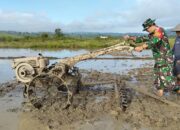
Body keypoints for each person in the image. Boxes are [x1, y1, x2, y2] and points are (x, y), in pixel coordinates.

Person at [124, 18, 180, 96]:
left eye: (147, 29)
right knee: (158, 77)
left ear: (152, 25)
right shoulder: (151, 34)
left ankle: (178, 89)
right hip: (158, 59)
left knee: (168, 80)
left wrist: (142, 47)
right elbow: (142, 38)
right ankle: (160, 94)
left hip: (165, 59)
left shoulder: (160, 31)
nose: (147, 31)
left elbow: (153, 41)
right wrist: (130, 37)